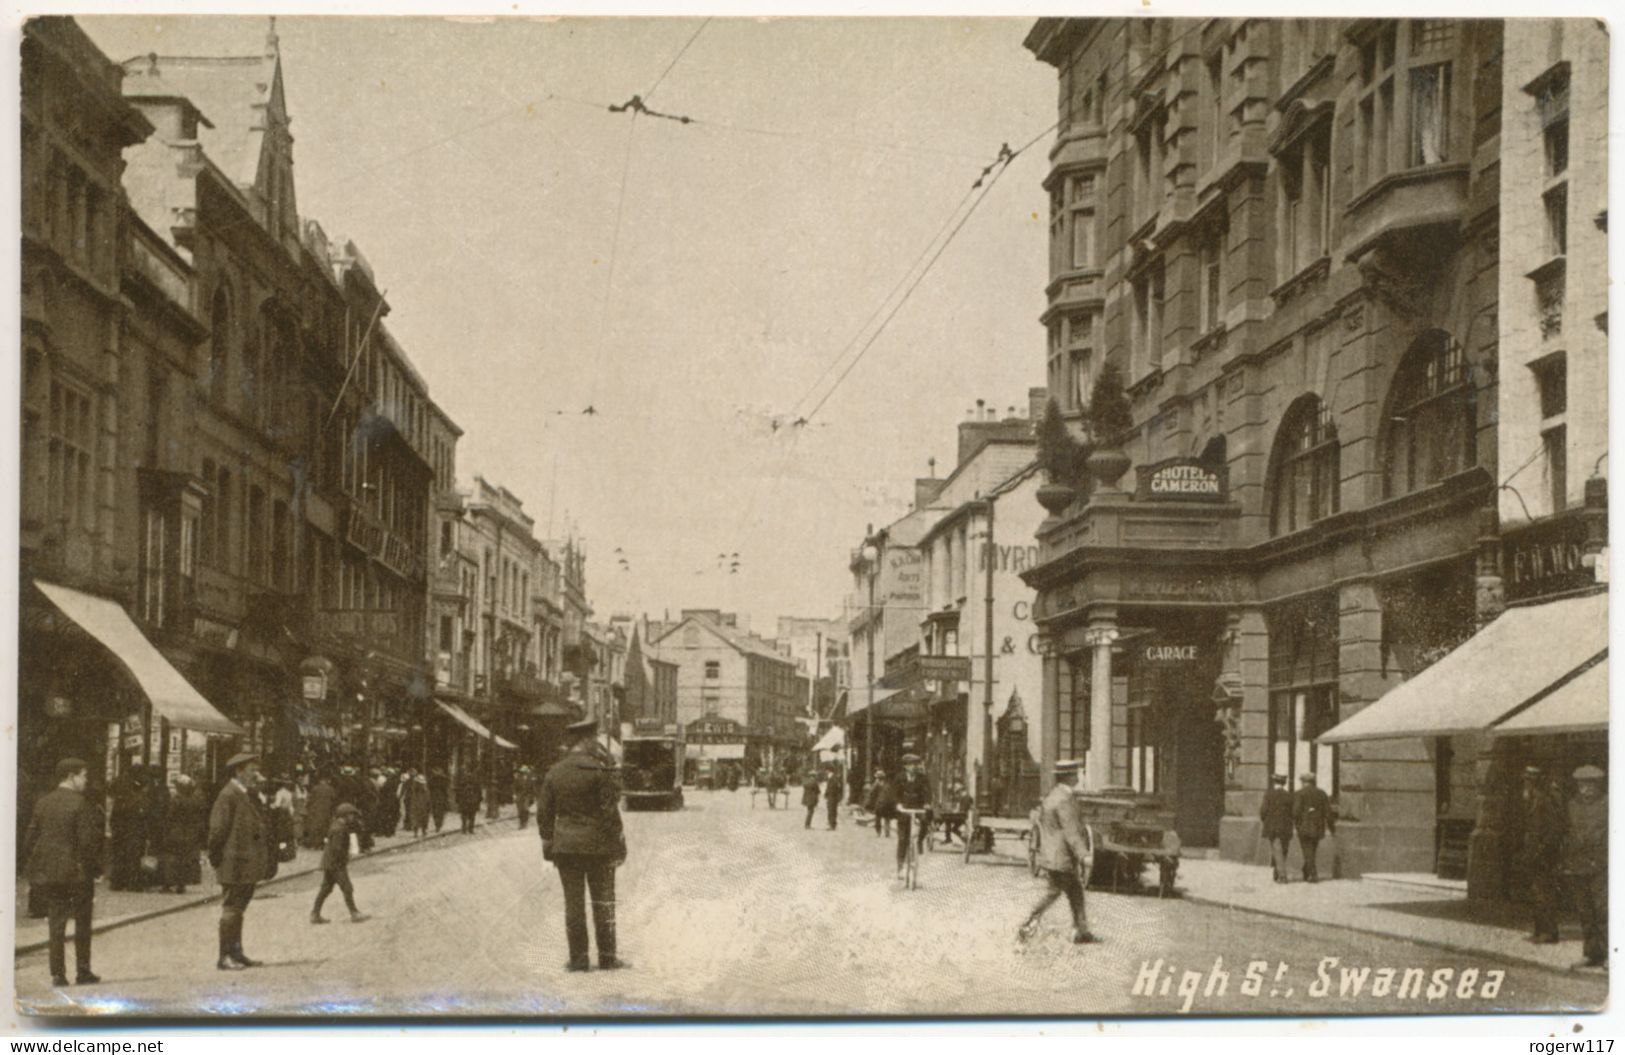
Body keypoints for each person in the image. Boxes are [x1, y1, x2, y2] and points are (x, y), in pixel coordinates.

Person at [539, 718, 629, 972]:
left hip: (566, 848)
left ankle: (578, 960)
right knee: (603, 902)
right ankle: (608, 958)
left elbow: (544, 814)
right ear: (587, 741)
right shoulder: (599, 772)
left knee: (573, 904)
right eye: (593, 740)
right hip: (599, 848)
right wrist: (619, 843)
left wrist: (548, 843)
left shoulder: (555, 772)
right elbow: (610, 813)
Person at [23, 758, 105, 987]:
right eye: (84, 776)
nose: (86, 781)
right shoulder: (81, 804)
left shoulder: (43, 802)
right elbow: (87, 843)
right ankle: (83, 970)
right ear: (71, 776)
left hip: (51, 873)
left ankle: (58, 974)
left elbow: (30, 839)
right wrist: (96, 869)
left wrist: (37, 865)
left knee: (56, 923)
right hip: (78, 874)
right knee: (82, 922)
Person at [1019, 759, 1096, 945]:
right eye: (1076, 774)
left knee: (1075, 892)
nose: (1078, 776)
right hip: (1062, 858)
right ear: (1069, 777)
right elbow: (1071, 831)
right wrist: (1084, 854)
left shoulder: (1052, 796)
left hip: (1053, 855)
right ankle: (1028, 924)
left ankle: (1082, 931)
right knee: (1053, 893)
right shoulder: (1064, 799)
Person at [208, 752, 272, 971]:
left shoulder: (245, 794)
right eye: (252, 770)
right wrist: (215, 857)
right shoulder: (228, 795)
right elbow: (217, 831)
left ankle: (237, 953)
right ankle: (224, 957)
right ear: (238, 771)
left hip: (245, 863)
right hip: (233, 862)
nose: (257, 775)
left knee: (239, 909)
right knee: (232, 908)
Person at [1563, 765, 1607, 968]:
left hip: (1602, 866)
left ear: (1598, 786)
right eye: (1582, 785)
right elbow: (1568, 833)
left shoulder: (1608, 804)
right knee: (1585, 912)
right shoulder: (1572, 805)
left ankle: (1609, 954)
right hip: (1578, 864)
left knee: (1603, 911)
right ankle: (1591, 953)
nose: (1586, 790)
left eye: (1590, 786)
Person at [1521, 766, 1566, 943]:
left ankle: (1549, 932)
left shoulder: (1545, 801)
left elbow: (1554, 830)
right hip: (1534, 853)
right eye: (1526, 780)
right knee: (1536, 893)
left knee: (1545, 893)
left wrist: (1543, 850)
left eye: (1529, 780)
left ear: (1535, 782)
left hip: (1545, 855)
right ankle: (1539, 930)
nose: (1526, 784)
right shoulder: (1531, 800)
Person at [311, 803, 370, 924]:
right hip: (336, 864)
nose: (352, 817)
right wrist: (346, 856)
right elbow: (337, 848)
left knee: (326, 889)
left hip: (330, 862)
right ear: (345, 815)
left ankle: (315, 914)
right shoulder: (340, 828)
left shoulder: (336, 825)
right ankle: (354, 913)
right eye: (351, 815)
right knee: (347, 887)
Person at [160, 774, 207, 895]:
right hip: (190, 833)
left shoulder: (176, 799)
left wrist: (166, 829)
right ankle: (181, 884)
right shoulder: (195, 800)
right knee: (185, 859)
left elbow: (170, 816)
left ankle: (168, 884)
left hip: (176, 832)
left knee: (172, 858)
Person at [106, 768, 148, 892]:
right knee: (133, 858)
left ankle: (117, 883)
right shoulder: (139, 800)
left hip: (120, 832)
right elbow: (144, 818)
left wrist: (115, 830)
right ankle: (133, 884)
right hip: (134, 833)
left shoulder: (120, 801)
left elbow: (113, 819)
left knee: (119, 856)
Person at [893, 754, 931, 878]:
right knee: (903, 839)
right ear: (905, 766)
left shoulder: (922, 778)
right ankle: (900, 867)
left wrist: (926, 803)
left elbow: (927, 792)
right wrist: (898, 804)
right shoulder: (899, 778)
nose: (913, 767)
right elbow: (895, 793)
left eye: (915, 764)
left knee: (925, 824)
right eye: (910, 765)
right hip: (904, 810)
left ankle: (919, 841)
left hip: (918, 808)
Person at [1292, 773, 1335, 883]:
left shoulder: (1299, 793)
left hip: (1304, 826)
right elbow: (1328, 812)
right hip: (1318, 826)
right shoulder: (1322, 793)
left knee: (1307, 850)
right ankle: (1306, 870)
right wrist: (1331, 827)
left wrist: (1296, 823)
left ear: (1303, 782)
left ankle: (1313, 874)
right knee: (1312, 850)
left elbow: (1296, 812)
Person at [1259, 774, 1295, 883]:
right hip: (1286, 827)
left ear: (1274, 782)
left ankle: (1282, 876)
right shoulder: (1289, 796)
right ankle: (1276, 872)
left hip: (1273, 827)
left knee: (1277, 850)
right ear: (1284, 783)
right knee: (1283, 850)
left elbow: (1263, 811)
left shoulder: (1269, 795)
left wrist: (1266, 820)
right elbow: (1293, 812)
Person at [302, 772, 336, 850]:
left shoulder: (315, 788)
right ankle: (322, 844)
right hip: (327, 811)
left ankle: (314, 844)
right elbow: (334, 800)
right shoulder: (330, 789)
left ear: (320, 780)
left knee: (315, 827)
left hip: (315, 811)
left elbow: (309, 800)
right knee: (325, 828)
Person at [402, 771, 431, 839]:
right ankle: (423, 831)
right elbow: (428, 800)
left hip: (417, 805)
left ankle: (417, 832)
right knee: (422, 819)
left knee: (417, 819)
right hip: (421, 806)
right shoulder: (424, 791)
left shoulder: (414, 791)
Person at [456, 769, 482, 833]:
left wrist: (457, 800)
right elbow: (479, 791)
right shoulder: (475, 780)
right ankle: (470, 829)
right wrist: (479, 800)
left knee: (464, 815)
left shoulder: (462, 780)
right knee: (472, 816)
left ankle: (464, 828)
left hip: (465, 800)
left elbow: (458, 791)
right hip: (472, 801)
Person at [514, 765, 537, 830]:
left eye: (525, 772)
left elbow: (533, 788)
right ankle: (521, 823)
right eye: (523, 772)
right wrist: (515, 795)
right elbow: (514, 787)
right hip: (520, 796)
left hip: (527, 796)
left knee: (525, 809)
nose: (524, 773)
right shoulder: (518, 778)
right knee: (520, 810)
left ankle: (525, 823)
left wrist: (534, 796)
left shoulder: (530, 779)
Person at [428, 768, 450, 832]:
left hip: (440, 798)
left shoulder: (443, 779)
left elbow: (446, 789)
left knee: (439, 812)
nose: (436, 772)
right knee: (436, 812)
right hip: (436, 798)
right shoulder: (432, 779)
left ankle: (438, 825)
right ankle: (437, 824)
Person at [824, 766, 845, 830]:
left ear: (829, 771)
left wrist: (839, 797)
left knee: (832, 811)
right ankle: (832, 824)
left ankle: (832, 825)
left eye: (826, 770)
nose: (825, 772)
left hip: (833, 797)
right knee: (831, 810)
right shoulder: (831, 778)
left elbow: (836, 788)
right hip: (831, 797)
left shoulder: (833, 778)